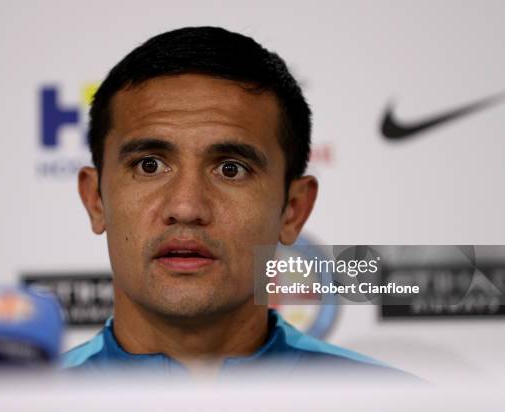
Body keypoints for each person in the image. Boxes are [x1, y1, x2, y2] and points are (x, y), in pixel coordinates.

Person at [63, 26, 406, 379]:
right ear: (95, 200)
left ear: (293, 209)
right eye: (149, 165)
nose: (186, 208)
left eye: (231, 169)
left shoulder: (402, 401)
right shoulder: (22, 400)